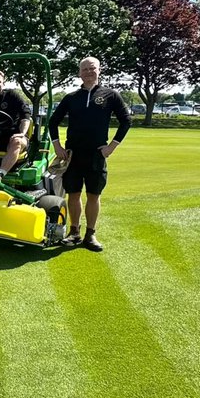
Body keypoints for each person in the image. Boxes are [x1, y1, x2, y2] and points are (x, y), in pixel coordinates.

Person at [48, 56, 132, 252]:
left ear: (99, 70)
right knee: (73, 194)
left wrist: (111, 147)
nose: (88, 72)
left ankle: (90, 234)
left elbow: (126, 121)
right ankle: (74, 232)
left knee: (94, 195)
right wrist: (57, 147)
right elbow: (53, 121)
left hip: (96, 155)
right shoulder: (71, 98)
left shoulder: (110, 95)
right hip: (73, 155)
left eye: (91, 68)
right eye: (84, 69)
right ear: (79, 73)